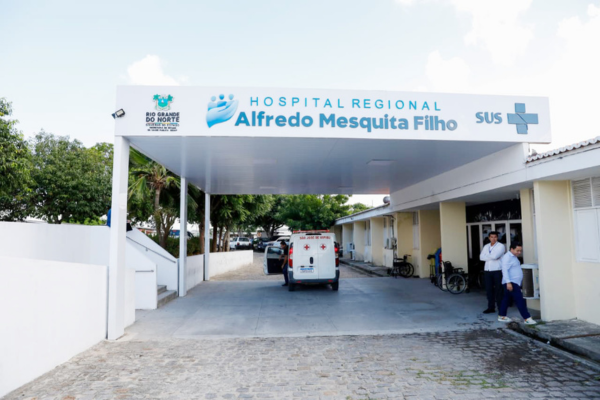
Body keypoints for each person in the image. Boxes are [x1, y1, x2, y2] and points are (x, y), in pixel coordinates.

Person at [498, 242, 537, 325]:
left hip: (513, 282)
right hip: (511, 282)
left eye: (520, 251)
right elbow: (504, 270)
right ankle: (527, 318)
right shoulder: (507, 257)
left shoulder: (513, 257)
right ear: (511, 249)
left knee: (506, 299)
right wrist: (508, 282)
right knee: (520, 300)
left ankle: (502, 316)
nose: (519, 252)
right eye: (517, 250)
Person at [479, 231, 505, 314]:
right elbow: (481, 257)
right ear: (489, 238)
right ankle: (491, 307)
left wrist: (487, 256)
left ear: (497, 238)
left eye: (495, 237)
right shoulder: (486, 246)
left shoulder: (501, 246)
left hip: (497, 270)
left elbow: (495, 256)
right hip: (487, 270)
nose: (493, 239)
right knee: (489, 290)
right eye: (492, 237)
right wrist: (491, 257)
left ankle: (501, 309)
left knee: (499, 290)